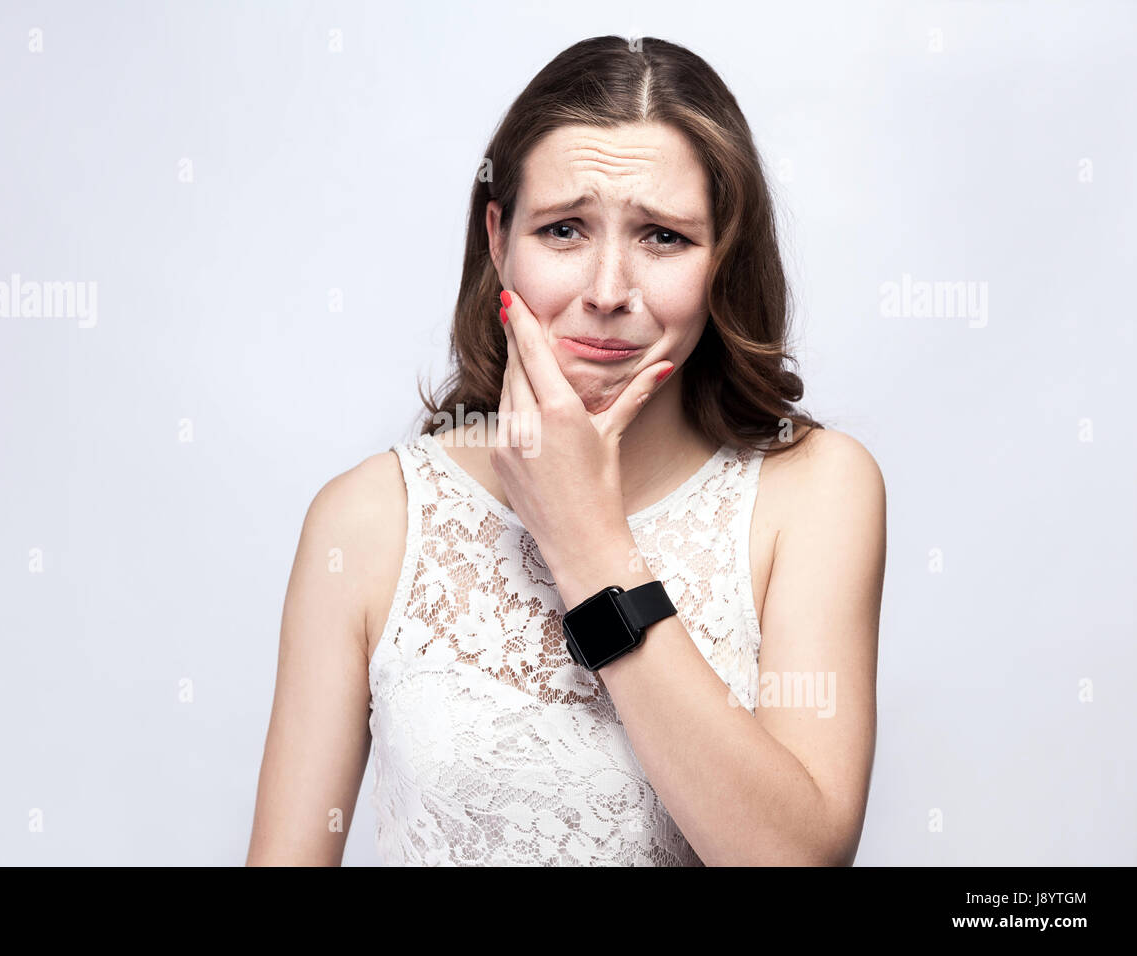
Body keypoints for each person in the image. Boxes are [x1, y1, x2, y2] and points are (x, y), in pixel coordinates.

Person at [246, 35, 886, 866]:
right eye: (564, 230)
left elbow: (797, 858)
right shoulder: (366, 520)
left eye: (662, 237)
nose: (608, 291)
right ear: (500, 237)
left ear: (723, 259)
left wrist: (587, 539)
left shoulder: (816, 492)